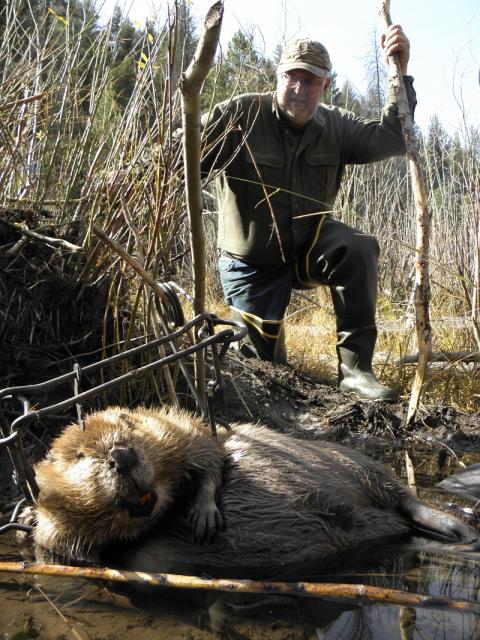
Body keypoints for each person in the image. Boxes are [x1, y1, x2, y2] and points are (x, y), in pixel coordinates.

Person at [200, 25, 415, 402]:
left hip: (307, 249)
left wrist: (400, 72)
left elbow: (393, 138)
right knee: (265, 373)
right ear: (278, 75)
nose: (300, 88)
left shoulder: (337, 125)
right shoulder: (238, 115)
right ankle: (254, 343)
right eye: (292, 77)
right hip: (251, 266)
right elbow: (179, 155)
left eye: (311, 80)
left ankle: (356, 372)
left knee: (356, 247)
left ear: (326, 85)